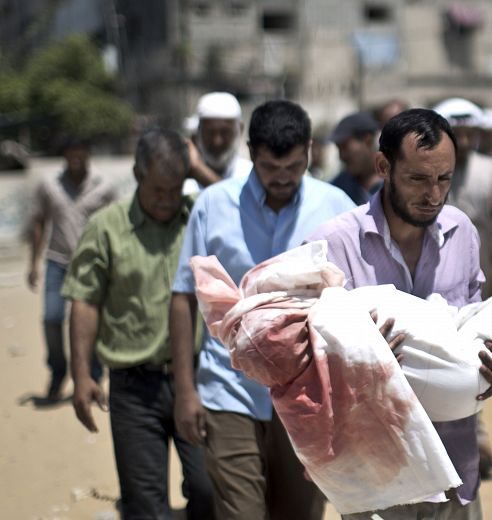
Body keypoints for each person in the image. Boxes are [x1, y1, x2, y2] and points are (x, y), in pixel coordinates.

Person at [307, 108, 492, 519]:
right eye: (418, 179)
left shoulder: (462, 233)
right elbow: (304, 361)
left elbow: (472, 329)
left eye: (444, 180)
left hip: (454, 461)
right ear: (383, 166)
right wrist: (358, 359)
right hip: (377, 474)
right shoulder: (333, 246)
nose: (434, 195)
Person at [169, 99, 355, 519]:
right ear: (251, 151)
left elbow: (356, 303)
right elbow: (182, 296)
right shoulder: (212, 206)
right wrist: (185, 390)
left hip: (310, 397)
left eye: (294, 167)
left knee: (299, 513)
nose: (284, 179)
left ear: (309, 150)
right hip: (228, 390)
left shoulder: (337, 208)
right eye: (272, 169)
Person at [61, 129, 214, 519]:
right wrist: (81, 375)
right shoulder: (106, 227)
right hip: (134, 388)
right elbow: (85, 302)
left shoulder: (201, 215)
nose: (166, 201)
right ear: (137, 174)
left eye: (175, 189)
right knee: (145, 505)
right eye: (158, 190)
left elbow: (243, 199)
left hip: (196, 381)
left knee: (209, 488)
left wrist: (198, 167)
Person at [26, 137, 116, 402]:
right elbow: (39, 222)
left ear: (89, 155)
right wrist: (33, 263)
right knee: (52, 319)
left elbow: (117, 224)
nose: (76, 159)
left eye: (81, 154)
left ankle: (94, 375)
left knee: (95, 322)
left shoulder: (105, 186)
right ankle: (58, 371)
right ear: (64, 156)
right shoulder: (48, 184)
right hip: (57, 261)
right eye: (70, 155)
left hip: (93, 263)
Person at [432, 98, 492, 299]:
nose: (465, 141)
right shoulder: (427, 171)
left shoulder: (489, 169)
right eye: (457, 135)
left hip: (484, 265)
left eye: (470, 134)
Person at [183, 91, 253, 195]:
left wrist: (200, 171)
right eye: (210, 133)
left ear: (240, 130)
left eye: (225, 133)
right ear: (197, 134)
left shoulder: (251, 175)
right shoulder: (184, 183)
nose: (217, 142)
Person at [329, 112, 382, 205]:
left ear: (367, 140)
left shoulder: (395, 182)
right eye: (339, 149)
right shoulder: (338, 187)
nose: (342, 156)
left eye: (345, 147)